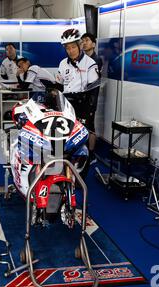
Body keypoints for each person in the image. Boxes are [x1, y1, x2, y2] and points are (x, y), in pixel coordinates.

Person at [56, 28, 99, 177]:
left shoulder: (90, 63)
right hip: (66, 103)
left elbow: (94, 89)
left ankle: (81, 175)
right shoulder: (62, 63)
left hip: (84, 104)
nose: (70, 50)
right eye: (67, 48)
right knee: (64, 137)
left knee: (82, 141)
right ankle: (63, 171)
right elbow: (60, 84)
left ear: (80, 45)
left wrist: (90, 110)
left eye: (73, 46)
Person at [81, 32, 102, 164]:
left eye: (87, 40)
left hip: (91, 98)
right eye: (82, 40)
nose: (84, 43)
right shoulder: (81, 59)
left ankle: (92, 155)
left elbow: (93, 83)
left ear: (93, 44)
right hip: (80, 98)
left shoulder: (96, 60)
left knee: (90, 125)